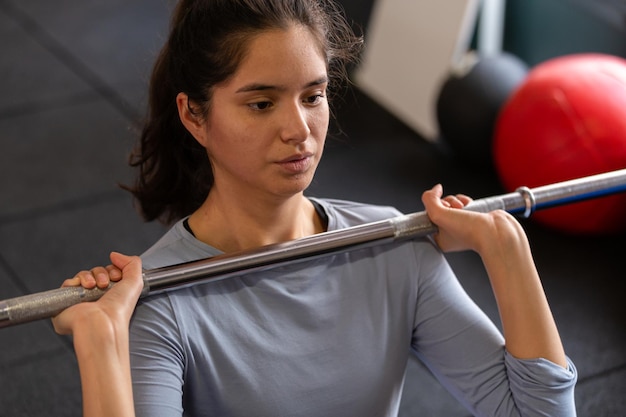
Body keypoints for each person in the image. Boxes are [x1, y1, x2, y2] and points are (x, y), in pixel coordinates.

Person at [52, 0, 578, 416]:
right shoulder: (160, 304)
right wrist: (101, 344)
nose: (299, 130)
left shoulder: (391, 247)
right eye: (261, 103)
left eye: (313, 95)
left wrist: (505, 245)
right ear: (193, 115)